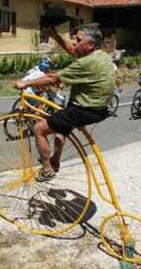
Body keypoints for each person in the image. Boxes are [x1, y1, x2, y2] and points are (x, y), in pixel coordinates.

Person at [15, 24, 115, 182]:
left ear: (90, 45)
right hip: (99, 108)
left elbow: (52, 78)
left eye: (78, 39)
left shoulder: (86, 63)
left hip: (83, 109)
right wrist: (54, 35)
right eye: (75, 38)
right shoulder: (102, 56)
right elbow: (71, 50)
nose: (74, 42)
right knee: (60, 129)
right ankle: (55, 160)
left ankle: (47, 170)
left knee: (39, 128)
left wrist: (24, 83)